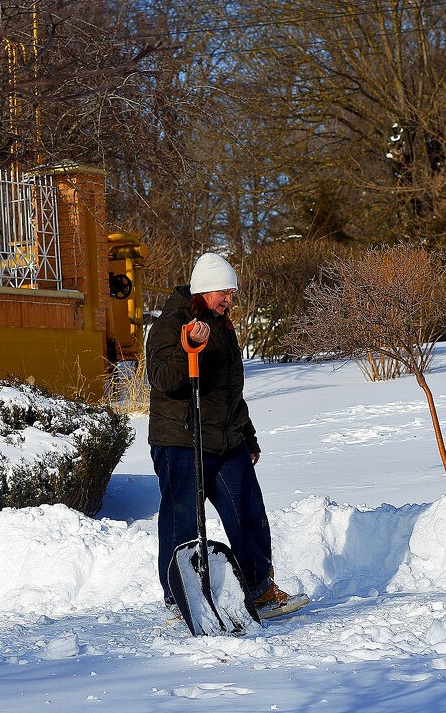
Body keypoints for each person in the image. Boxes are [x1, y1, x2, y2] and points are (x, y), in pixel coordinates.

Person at [146, 252, 304, 620]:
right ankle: (179, 599)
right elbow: (164, 379)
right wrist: (190, 352)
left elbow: (231, 390)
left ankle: (259, 589)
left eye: (232, 293)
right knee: (181, 520)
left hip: (227, 438)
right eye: (224, 293)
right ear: (204, 290)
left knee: (249, 511)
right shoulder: (172, 322)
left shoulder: (222, 324)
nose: (230, 300)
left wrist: (247, 435)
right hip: (181, 440)